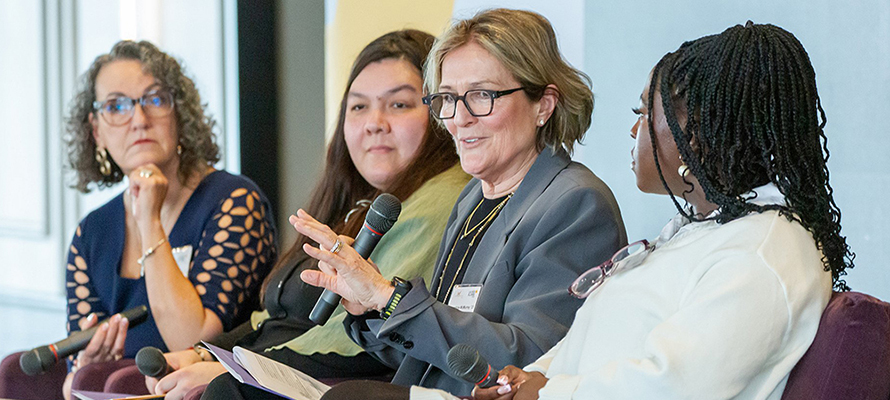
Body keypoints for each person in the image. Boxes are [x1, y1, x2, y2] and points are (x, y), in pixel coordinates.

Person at [461, 22, 854, 400]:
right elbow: (595, 347)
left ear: (696, 132)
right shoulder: (701, 229)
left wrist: (548, 391)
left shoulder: (765, 251)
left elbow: (677, 386)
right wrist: (532, 376)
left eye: (643, 114)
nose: (634, 132)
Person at [292, 8, 627, 400]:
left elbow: (529, 360)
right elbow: (434, 351)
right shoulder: (473, 196)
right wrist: (366, 306)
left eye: (482, 96)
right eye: (448, 98)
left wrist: (389, 297)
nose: (459, 119)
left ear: (544, 105)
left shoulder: (576, 204)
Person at [147, 30, 470, 400]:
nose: (374, 122)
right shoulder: (361, 199)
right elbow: (273, 320)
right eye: (359, 106)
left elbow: (352, 344)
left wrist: (230, 370)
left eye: (399, 105)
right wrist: (203, 353)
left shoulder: (441, 198)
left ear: (441, 111)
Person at [61, 40, 277, 399]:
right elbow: (72, 386)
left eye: (155, 100)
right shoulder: (91, 233)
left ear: (181, 114)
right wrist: (85, 367)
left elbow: (192, 340)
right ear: (97, 131)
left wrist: (149, 221)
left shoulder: (236, 201)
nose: (139, 120)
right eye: (116, 106)